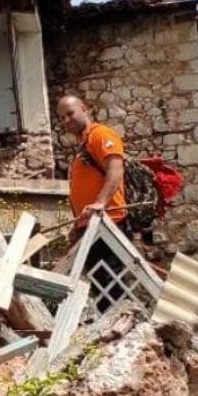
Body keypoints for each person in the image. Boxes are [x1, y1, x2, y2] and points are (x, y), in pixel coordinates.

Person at [56, 95, 131, 309]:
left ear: (84, 109)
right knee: (100, 286)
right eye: (62, 118)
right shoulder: (83, 145)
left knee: (112, 284)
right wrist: (77, 224)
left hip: (108, 223)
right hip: (90, 226)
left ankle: (122, 325)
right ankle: (110, 325)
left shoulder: (101, 134)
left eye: (70, 114)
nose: (66, 120)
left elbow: (115, 169)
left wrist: (101, 202)